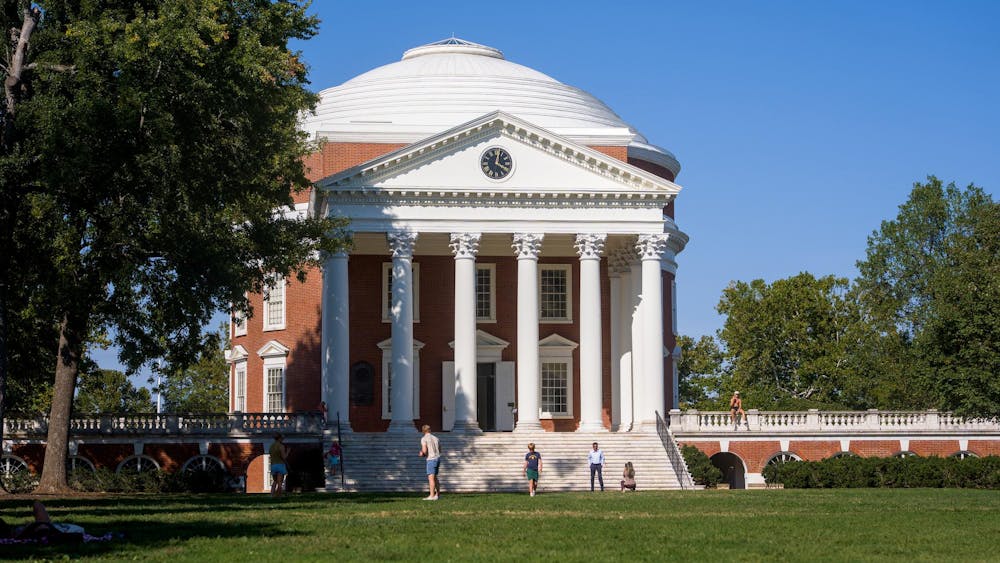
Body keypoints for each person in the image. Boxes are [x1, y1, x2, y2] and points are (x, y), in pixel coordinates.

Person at [0, 501, 86, 543]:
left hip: (18, 532)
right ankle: (43, 530)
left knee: (37, 504)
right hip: (17, 534)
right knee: (37, 504)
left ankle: (43, 530)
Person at [419, 424, 441, 500]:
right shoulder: (436, 438)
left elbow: (424, 451)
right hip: (438, 458)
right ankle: (438, 495)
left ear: (423, 431)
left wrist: (421, 453)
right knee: (435, 478)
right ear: (430, 430)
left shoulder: (424, 439)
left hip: (431, 459)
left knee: (431, 478)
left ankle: (431, 496)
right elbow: (440, 449)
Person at [269, 433, 290, 497]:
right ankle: (279, 495)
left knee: (275, 481)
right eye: (282, 438)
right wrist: (288, 452)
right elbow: (284, 457)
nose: (282, 439)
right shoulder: (281, 446)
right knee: (280, 482)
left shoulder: (271, 446)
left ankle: (272, 495)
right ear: (280, 438)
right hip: (280, 465)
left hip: (273, 465)